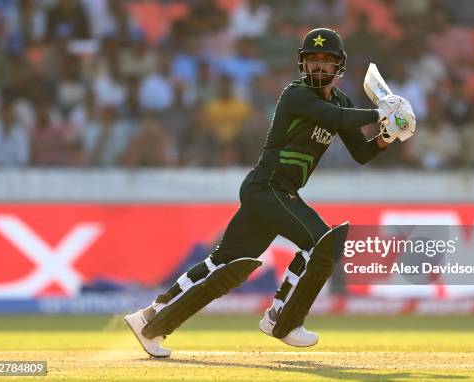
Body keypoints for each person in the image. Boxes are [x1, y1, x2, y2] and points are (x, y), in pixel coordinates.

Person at [124, 27, 416, 358]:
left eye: (327, 61)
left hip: (277, 192)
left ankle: (149, 320)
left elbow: (361, 153)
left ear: (339, 67)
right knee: (321, 243)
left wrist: (389, 134)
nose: (319, 68)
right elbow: (335, 118)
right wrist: (383, 112)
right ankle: (282, 319)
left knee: (224, 268)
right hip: (268, 186)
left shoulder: (342, 101)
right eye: (312, 61)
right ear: (301, 65)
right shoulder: (297, 95)